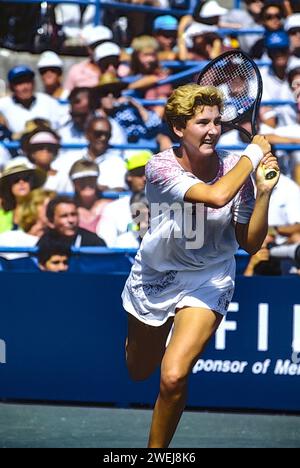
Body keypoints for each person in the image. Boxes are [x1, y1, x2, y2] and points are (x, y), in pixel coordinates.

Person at [121, 84, 279, 448]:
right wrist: (253, 153)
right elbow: (215, 196)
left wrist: (264, 193)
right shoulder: (159, 166)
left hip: (209, 277)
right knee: (138, 371)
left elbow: (250, 243)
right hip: (155, 276)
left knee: (173, 377)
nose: (212, 130)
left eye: (216, 122)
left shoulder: (234, 170)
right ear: (179, 129)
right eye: (201, 122)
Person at [37, 195, 106, 248]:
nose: (71, 220)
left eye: (74, 214)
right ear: (51, 222)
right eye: (64, 216)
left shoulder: (94, 242)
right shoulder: (45, 243)